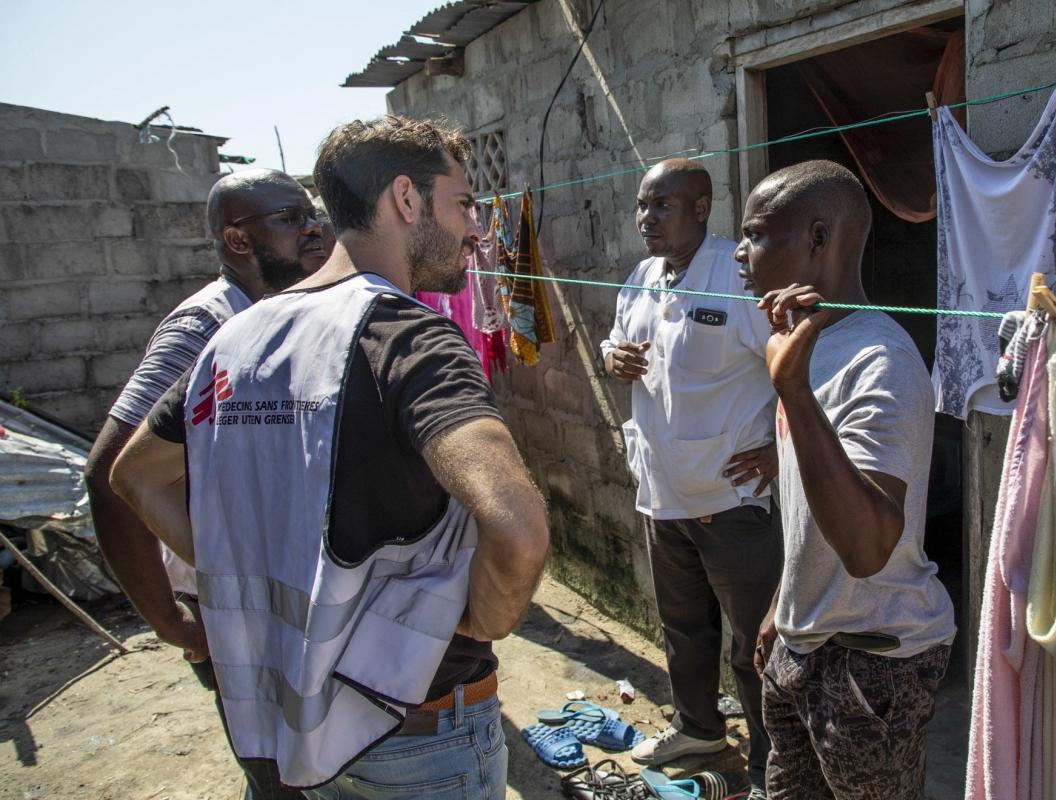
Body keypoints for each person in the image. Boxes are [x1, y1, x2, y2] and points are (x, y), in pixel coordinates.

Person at [110, 115, 549, 798]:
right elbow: (519, 532)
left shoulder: (241, 337)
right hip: (420, 726)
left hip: (296, 716)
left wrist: (243, 564)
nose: (477, 230)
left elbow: (134, 474)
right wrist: (483, 618)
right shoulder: (410, 338)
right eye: (463, 204)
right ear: (406, 200)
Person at [84, 168, 327, 800]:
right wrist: (168, 619)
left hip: (290, 606)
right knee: (283, 779)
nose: (312, 228)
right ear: (238, 240)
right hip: (234, 618)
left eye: (311, 214)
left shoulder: (284, 313)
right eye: (291, 217)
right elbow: (111, 475)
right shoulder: (204, 329)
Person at [737, 160, 955, 799]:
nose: (742, 255)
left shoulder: (877, 360)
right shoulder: (807, 342)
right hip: (805, 642)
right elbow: (809, 507)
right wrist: (785, 602)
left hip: (871, 661)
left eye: (755, 235)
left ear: (818, 238)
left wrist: (793, 392)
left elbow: (867, 548)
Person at [600, 158, 781, 796]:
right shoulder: (642, 278)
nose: (646, 219)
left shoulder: (738, 275)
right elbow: (617, 341)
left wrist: (781, 452)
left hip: (731, 496)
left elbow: (796, 364)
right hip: (662, 491)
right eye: (643, 207)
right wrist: (613, 356)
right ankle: (700, 728)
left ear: (701, 207)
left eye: (663, 206)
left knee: (752, 640)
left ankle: (768, 763)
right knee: (683, 628)